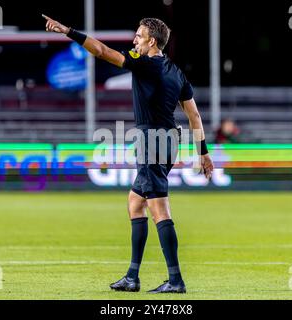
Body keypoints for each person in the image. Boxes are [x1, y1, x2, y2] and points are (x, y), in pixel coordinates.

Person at [43, 15, 214, 293]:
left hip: (152, 142)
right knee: (136, 202)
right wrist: (203, 152)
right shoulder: (176, 71)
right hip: (169, 140)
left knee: (159, 209)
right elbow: (193, 114)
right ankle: (132, 277)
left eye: (139, 36)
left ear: (152, 41)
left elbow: (100, 51)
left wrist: (68, 31)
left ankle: (176, 280)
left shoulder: (145, 64)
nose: (134, 40)